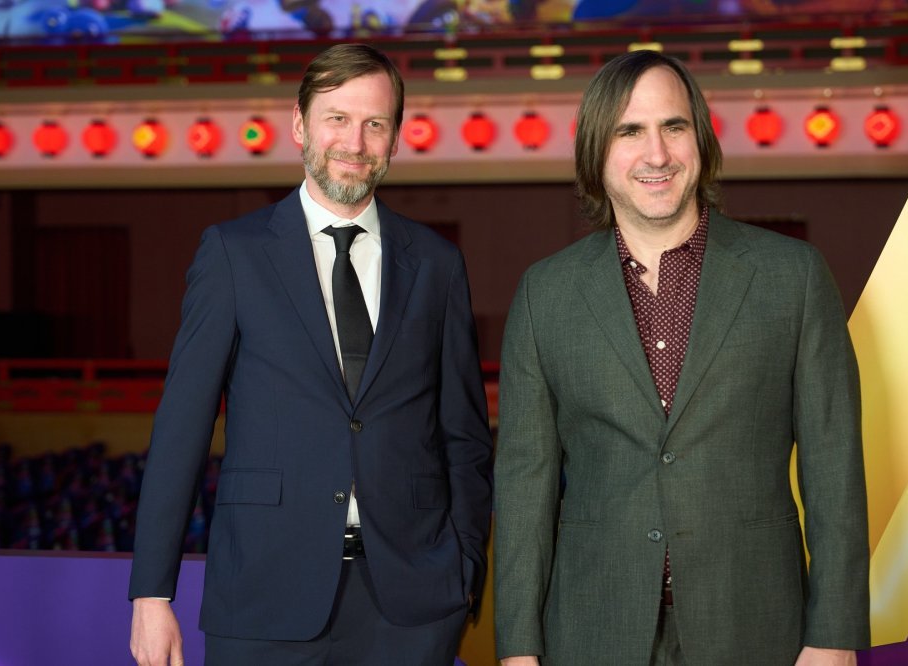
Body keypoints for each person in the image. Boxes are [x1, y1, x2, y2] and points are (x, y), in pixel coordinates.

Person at [494, 50, 869, 666]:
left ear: (702, 140)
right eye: (629, 131)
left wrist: (833, 635)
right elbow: (523, 484)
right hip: (593, 631)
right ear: (595, 152)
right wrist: (517, 648)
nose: (657, 154)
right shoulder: (545, 294)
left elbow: (835, 469)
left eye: (674, 126)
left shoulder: (792, 276)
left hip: (755, 626)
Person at [128, 43, 493, 666]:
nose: (355, 141)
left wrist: (463, 567)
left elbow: (463, 434)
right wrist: (151, 593)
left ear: (395, 137)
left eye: (375, 123)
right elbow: (182, 429)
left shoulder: (436, 263)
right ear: (299, 125)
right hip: (264, 596)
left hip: (412, 606)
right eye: (337, 118)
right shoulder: (233, 253)